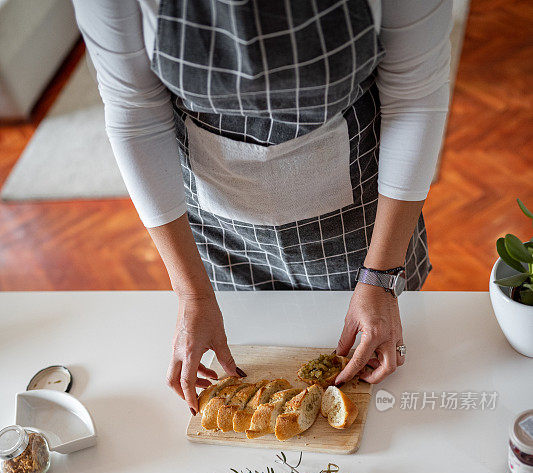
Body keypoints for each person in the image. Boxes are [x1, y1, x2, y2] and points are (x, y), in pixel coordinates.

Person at [73, 0, 451, 412]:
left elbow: (415, 95)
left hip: (364, 218)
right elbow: (135, 113)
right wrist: (193, 294)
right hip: (217, 231)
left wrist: (380, 277)